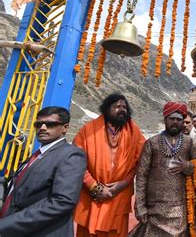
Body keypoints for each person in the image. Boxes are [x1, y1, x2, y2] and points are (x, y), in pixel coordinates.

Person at [0, 106, 87, 236]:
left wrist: (6, 224)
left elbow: (62, 201)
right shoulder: (37, 155)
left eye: (50, 124)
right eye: (38, 124)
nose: (43, 128)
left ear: (65, 128)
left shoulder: (71, 155)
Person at [74, 94, 146, 237]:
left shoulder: (135, 132)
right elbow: (76, 161)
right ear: (107, 109)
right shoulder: (88, 130)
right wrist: (94, 186)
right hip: (93, 195)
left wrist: (121, 185)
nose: (122, 110)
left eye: (124, 107)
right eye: (117, 107)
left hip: (119, 194)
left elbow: (142, 163)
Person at [132, 102, 196, 236]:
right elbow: (141, 176)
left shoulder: (189, 142)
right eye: (172, 119)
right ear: (165, 120)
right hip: (154, 209)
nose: (175, 122)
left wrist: (187, 166)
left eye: (179, 119)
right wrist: (140, 206)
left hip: (179, 209)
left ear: (183, 122)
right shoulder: (152, 143)